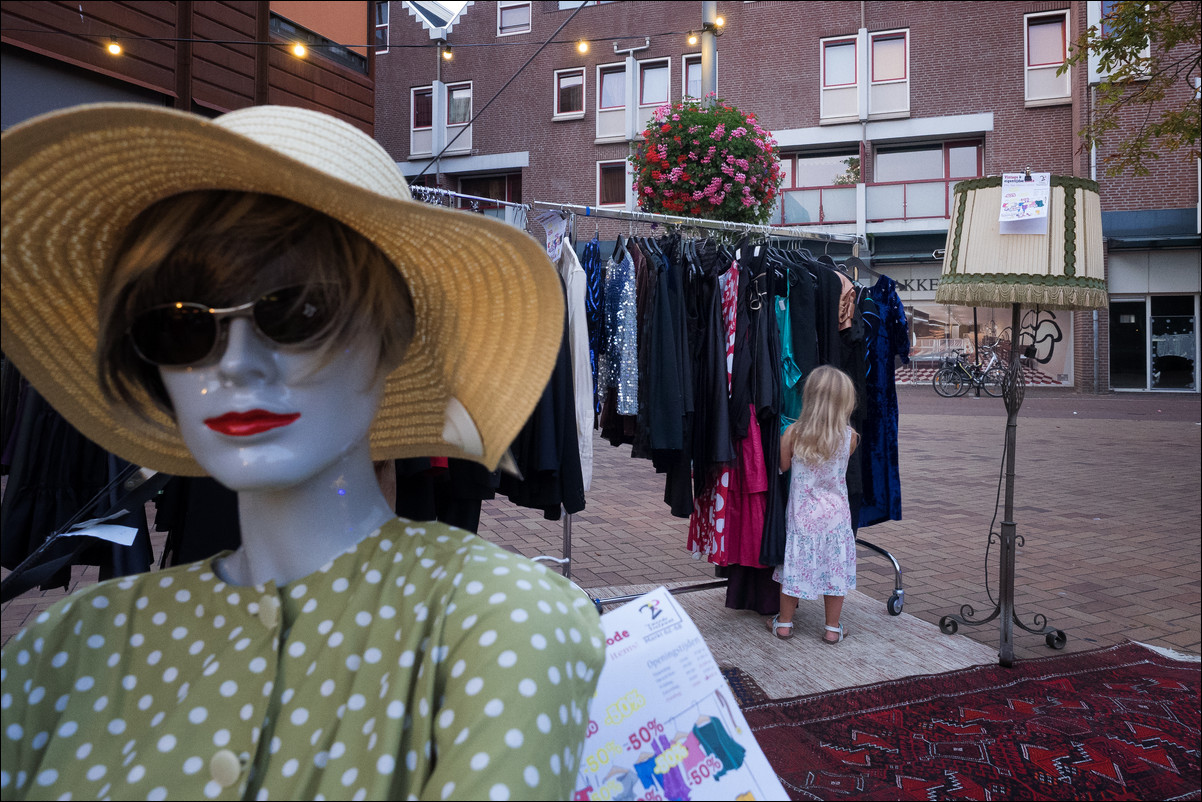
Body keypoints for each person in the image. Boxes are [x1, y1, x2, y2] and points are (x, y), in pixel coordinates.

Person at [0, 103, 605, 800]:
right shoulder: (67, 650)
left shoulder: (497, 622)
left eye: (297, 312)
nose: (235, 366)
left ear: (392, 340)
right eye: (182, 328)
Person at [767, 365, 859, 644]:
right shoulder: (850, 437)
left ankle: (785, 623)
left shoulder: (793, 433)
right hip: (836, 515)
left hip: (802, 514)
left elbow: (782, 467)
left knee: (795, 566)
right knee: (835, 569)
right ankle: (832, 628)